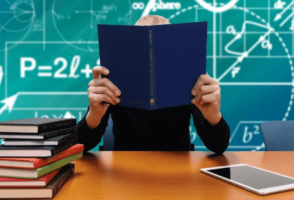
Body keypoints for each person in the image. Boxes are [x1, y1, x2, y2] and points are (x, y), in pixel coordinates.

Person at [77, 15, 230, 153]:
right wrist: (94, 115)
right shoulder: (112, 78)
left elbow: (218, 146)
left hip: (178, 170)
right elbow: (80, 146)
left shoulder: (189, 78)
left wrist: (213, 115)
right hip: (125, 170)